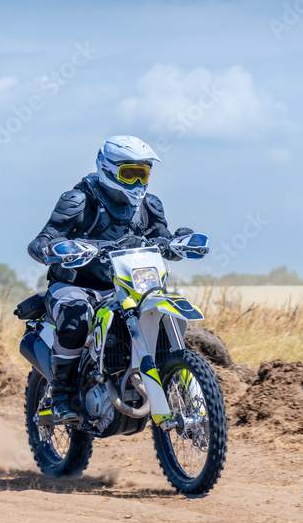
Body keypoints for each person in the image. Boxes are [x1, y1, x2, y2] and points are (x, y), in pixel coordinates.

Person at [27, 135, 193, 423]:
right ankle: (63, 393)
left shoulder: (150, 205)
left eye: (143, 173)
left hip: (129, 287)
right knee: (76, 314)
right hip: (77, 286)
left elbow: (161, 238)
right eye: (129, 174)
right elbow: (41, 241)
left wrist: (178, 242)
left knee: (170, 312)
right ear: (107, 169)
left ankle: (171, 379)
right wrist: (53, 249)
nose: (137, 182)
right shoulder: (78, 201)